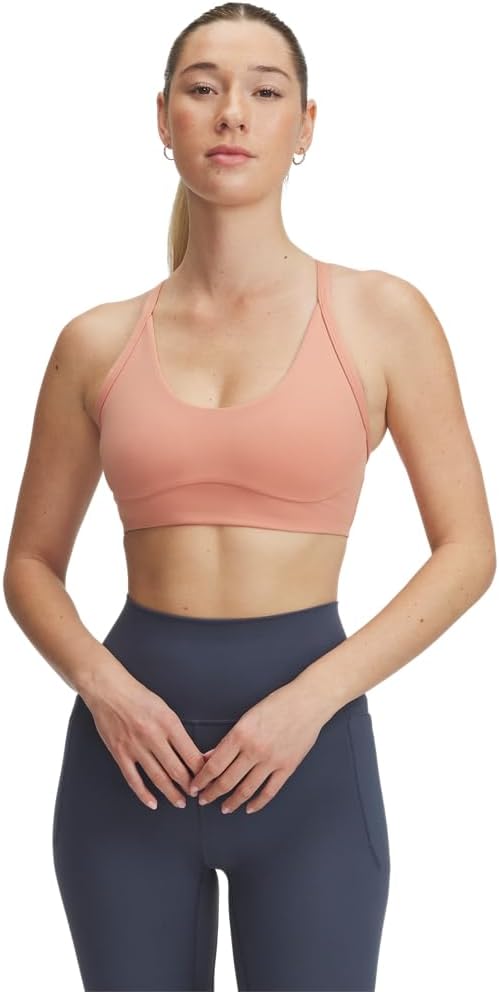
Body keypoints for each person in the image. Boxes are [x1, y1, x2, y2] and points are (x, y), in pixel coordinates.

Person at [3, 3, 496, 991]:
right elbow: (30, 564)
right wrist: (104, 689)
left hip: (307, 764)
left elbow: (467, 549)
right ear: (163, 118)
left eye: (264, 91)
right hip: (126, 766)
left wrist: (310, 700)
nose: (231, 111)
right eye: (202, 88)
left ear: (304, 125)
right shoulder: (95, 341)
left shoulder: (381, 315)